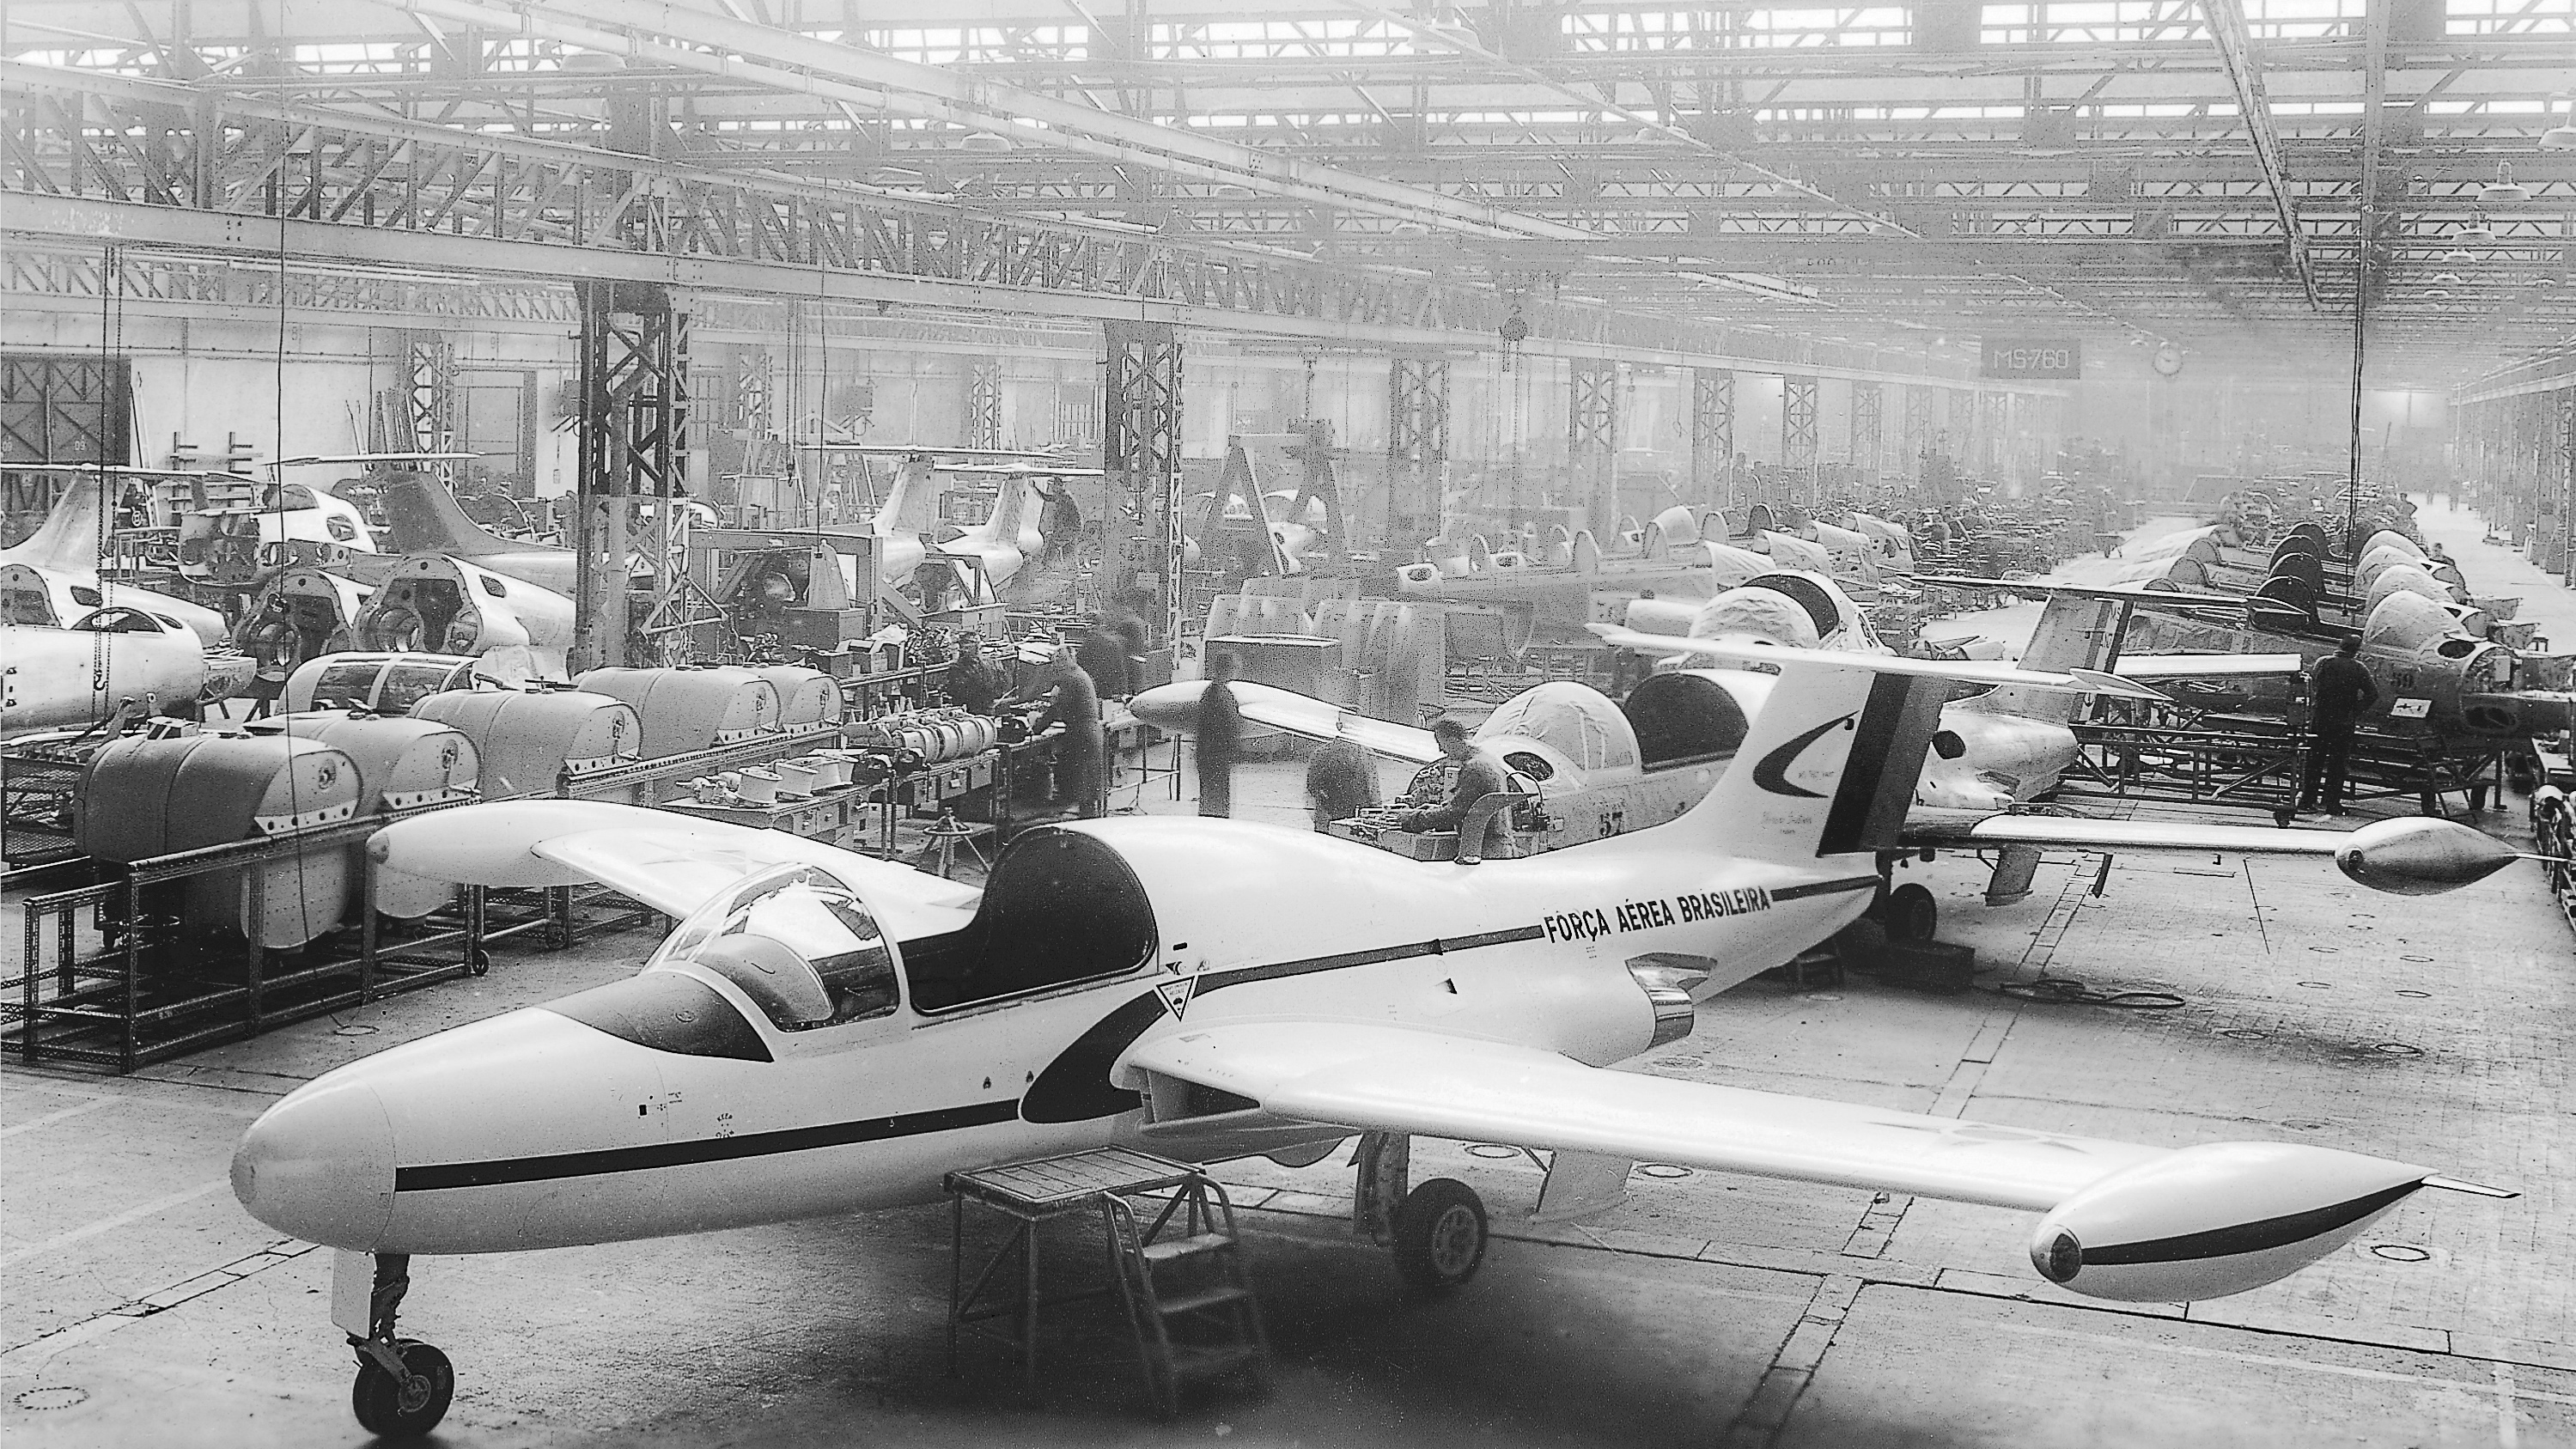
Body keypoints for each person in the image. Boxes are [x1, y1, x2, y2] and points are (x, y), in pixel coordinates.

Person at [1004, 648, 1105, 819]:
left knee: (1083, 779)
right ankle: (1088, 816)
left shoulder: (1069, 679)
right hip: (1089, 731)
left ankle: (1084, 819)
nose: (1054, 668)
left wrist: (1035, 728)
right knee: (1087, 781)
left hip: (1082, 733)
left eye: (1055, 664)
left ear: (1061, 663)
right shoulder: (1079, 674)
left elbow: (1055, 710)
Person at [2298, 635, 2379, 816]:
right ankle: (2332, 803)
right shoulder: (2359, 668)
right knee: (2338, 764)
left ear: (2340, 645)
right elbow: (2372, 694)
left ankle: (2307, 800)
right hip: (2343, 722)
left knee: (2314, 761)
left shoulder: (2323, 662)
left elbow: (2312, 684)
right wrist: (2355, 711)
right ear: (2357, 650)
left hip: (2320, 719)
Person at [1400, 718, 1512, 850]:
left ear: (1452, 740)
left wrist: (1412, 819)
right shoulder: (1486, 759)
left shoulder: (1475, 768)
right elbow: (1467, 805)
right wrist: (1432, 809)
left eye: (1441, 743)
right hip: (1496, 842)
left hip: (1486, 848)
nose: (1441, 750)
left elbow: (1454, 813)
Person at [1193, 653, 1245, 818]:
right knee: (1216, 800)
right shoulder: (1220, 695)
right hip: (1216, 756)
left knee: (1213, 798)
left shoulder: (1213, 693)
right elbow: (1225, 727)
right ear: (1228, 669)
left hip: (1212, 755)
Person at [1305, 727, 1379, 831]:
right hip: (1357, 824)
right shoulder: (1366, 754)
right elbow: (1374, 794)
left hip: (1330, 820)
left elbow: (1311, 791)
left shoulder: (1320, 753)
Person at [1075, 616, 1132, 700]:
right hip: (1114, 691)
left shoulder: (1088, 643)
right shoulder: (1114, 644)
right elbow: (1121, 671)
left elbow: (1078, 667)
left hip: (1095, 691)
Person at [945, 634, 1002, 715]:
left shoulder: (958, 667)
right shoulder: (989, 662)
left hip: (969, 709)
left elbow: (956, 691)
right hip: (987, 706)